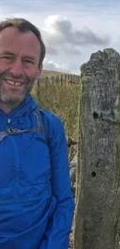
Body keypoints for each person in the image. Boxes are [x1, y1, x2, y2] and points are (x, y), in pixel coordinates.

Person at [0, 18, 74, 248]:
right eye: (7, 57)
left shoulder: (49, 126)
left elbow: (63, 201)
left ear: (39, 69)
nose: (16, 71)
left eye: (28, 61)